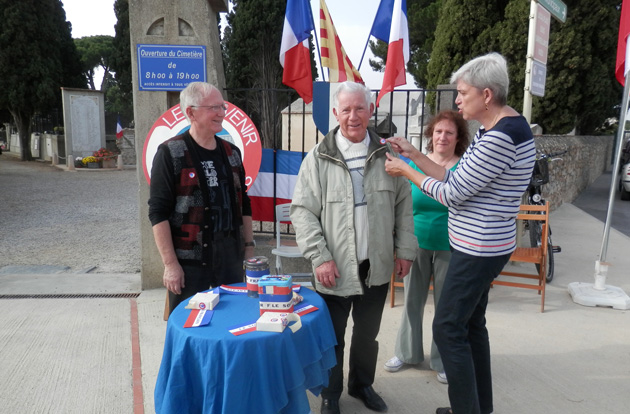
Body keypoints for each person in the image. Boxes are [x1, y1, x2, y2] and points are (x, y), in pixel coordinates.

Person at [384, 53, 536, 414]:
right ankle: (479, 408)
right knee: (470, 326)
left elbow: (451, 194)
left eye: (462, 92)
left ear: (486, 95)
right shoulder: (504, 126)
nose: (456, 99)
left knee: (448, 328)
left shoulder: (500, 138)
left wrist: (406, 171)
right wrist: (414, 156)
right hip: (487, 245)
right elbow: (453, 176)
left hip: (478, 250)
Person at [290, 81, 417, 414]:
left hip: (375, 263)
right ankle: (330, 394)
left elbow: (404, 206)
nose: (353, 116)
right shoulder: (318, 157)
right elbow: (302, 212)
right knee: (333, 337)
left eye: (360, 108)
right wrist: (319, 257)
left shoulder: (388, 155)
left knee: (367, 334)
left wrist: (405, 249)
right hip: (335, 266)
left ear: (370, 110)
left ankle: (362, 385)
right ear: (335, 113)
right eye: (346, 109)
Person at [148, 81, 255, 315]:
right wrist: (170, 265)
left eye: (223, 107)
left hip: (229, 259)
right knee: (189, 325)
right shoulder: (170, 153)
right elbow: (158, 212)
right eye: (213, 108)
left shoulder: (232, 153)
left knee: (231, 321)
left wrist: (248, 247)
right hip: (190, 264)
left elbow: (243, 202)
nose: (221, 113)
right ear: (191, 112)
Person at [383, 110, 469, 386]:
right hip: (416, 244)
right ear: (431, 135)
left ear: (458, 138)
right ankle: (407, 353)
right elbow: (402, 205)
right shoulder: (415, 164)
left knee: (446, 307)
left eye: (449, 133)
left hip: (450, 246)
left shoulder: (464, 167)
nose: (443, 137)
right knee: (412, 302)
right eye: (438, 132)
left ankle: (442, 360)